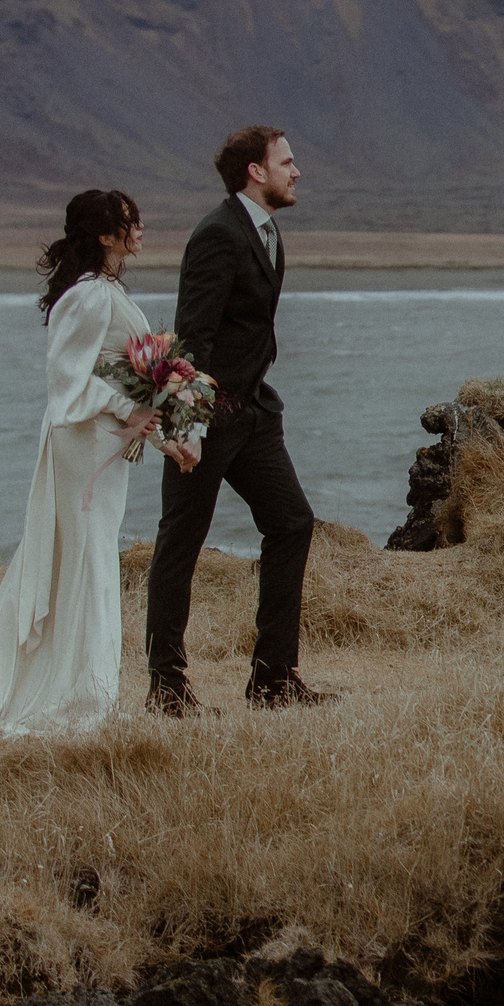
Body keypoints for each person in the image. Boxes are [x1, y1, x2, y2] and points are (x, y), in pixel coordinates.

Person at [0, 190, 196, 738]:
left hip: (103, 438)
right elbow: (67, 383)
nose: (141, 228)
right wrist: (134, 412)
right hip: (85, 440)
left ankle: (87, 687)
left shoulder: (106, 291)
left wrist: (166, 434)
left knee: (91, 553)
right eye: (130, 221)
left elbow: (128, 379)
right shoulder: (90, 296)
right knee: (85, 556)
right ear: (105, 236)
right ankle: (82, 696)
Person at [144, 125, 328, 714]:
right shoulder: (218, 234)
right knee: (181, 543)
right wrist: (187, 427)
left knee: (292, 523)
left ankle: (273, 679)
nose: (296, 171)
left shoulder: (265, 231)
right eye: (287, 161)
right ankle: (167, 688)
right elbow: (193, 335)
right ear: (256, 171)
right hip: (210, 416)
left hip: (253, 412)